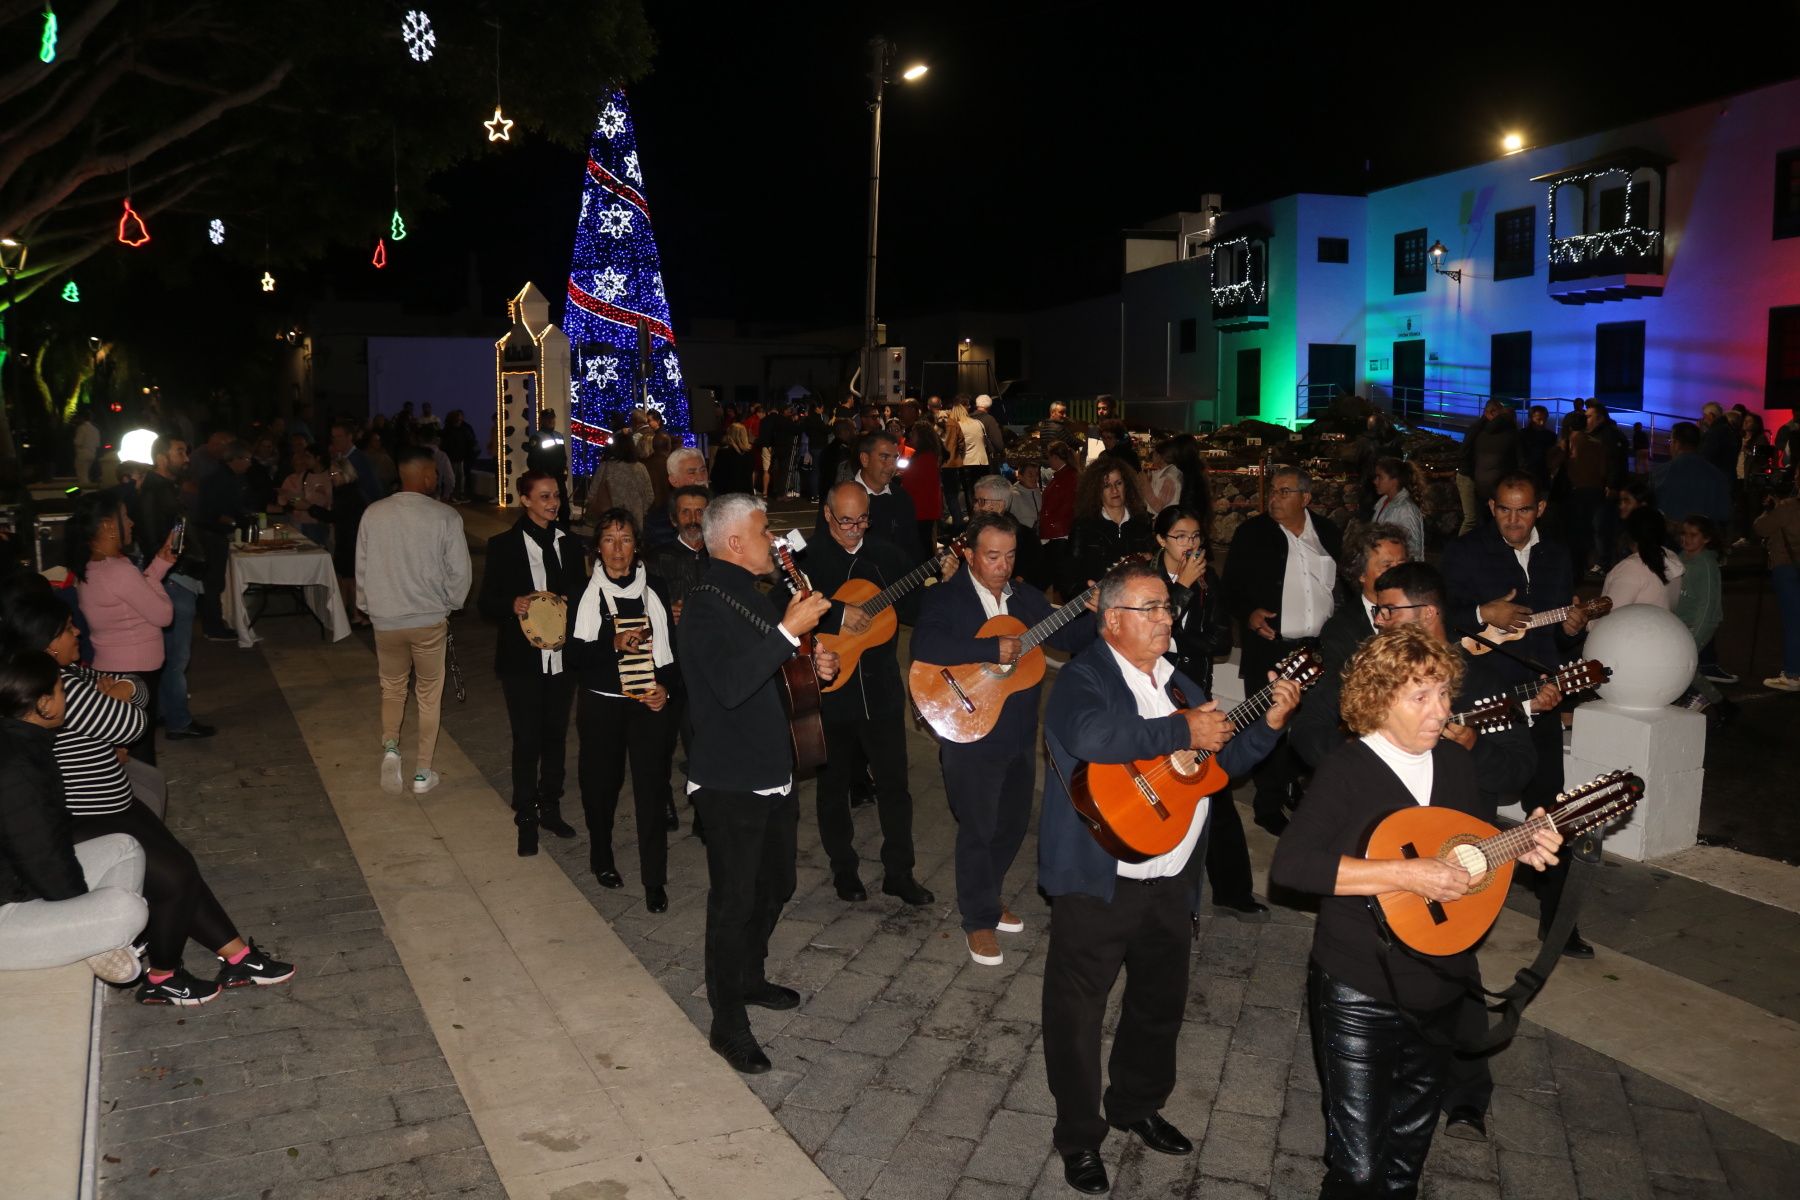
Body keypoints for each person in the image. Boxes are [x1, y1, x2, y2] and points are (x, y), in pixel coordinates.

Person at [1271, 625, 1562, 1196]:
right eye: (1420, 697)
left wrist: (1520, 845)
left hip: (1440, 984)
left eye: (1444, 694)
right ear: (1380, 700)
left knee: (1407, 1154)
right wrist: (1403, 873)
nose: (1441, 712)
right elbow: (1291, 868)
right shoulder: (1347, 770)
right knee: (1357, 1167)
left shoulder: (1454, 764)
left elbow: (1469, 850)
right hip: (1358, 988)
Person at [1038, 560, 1297, 1194]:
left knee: (1159, 1006)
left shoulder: (1179, 681)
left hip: (1172, 875)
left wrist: (1265, 727)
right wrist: (1182, 726)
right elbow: (1091, 735)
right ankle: (1079, 1136)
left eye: (1166, 608)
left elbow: (1217, 762)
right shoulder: (1085, 676)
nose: (1165, 619)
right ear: (1111, 620)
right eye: (1150, 608)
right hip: (1099, 879)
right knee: (1076, 1016)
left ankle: (1136, 1105)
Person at [677, 493, 839, 1073]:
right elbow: (726, 685)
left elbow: (776, 674)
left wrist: (817, 666)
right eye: (763, 529)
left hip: (775, 768)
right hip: (729, 779)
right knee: (733, 902)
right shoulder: (703, 605)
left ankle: (747, 977)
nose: (773, 539)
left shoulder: (757, 598)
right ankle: (727, 1021)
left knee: (777, 885)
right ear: (733, 543)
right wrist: (788, 632)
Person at [911, 512, 1095, 966]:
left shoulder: (1026, 599)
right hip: (968, 727)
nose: (1003, 565)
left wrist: (1097, 611)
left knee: (1012, 823)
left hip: (1016, 730)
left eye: (1010, 555)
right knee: (978, 826)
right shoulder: (947, 599)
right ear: (970, 555)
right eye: (992, 556)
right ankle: (977, 920)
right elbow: (924, 647)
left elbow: (1070, 635)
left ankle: (987, 899)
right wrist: (988, 650)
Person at [1439, 471, 1593, 957]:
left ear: (1540, 509)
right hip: (1482, 704)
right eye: (1504, 509)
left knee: (1550, 810)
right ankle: (1458, 908)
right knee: (1471, 812)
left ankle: (1557, 920)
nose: (1513, 520)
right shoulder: (1466, 551)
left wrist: (1573, 628)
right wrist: (1485, 613)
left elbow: (1561, 638)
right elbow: (1440, 616)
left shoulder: (1558, 555)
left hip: (1540, 696)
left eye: (1523, 510)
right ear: (1490, 507)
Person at [783, 483, 936, 907]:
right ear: (828, 516)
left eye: (862, 519)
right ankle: (844, 871)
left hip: (882, 690)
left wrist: (944, 584)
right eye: (846, 520)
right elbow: (785, 613)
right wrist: (835, 611)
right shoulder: (805, 559)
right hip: (831, 692)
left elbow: (917, 611)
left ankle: (900, 873)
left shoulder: (887, 556)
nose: (855, 529)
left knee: (895, 786)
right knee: (832, 788)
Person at [0, 650, 148, 984]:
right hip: (6, 909)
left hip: (18, 884)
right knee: (130, 910)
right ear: (44, 704)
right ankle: (97, 940)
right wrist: (83, 909)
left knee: (125, 846)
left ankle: (97, 944)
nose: (67, 698)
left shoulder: (22, 741)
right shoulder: (15, 767)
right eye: (62, 691)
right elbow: (42, 855)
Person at [1154, 505, 1267, 921]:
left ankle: (1232, 891)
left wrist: (1177, 641)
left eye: (1196, 536)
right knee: (1163, 789)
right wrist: (1179, 592)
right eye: (1180, 536)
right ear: (1161, 540)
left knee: (1214, 785)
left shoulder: (1208, 579)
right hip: (1153, 698)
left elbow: (1220, 641)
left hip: (1195, 694)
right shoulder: (1145, 579)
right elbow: (1148, 633)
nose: (1191, 545)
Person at [568, 509, 679, 910]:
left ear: (637, 545)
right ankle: (601, 857)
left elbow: (671, 654)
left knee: (651, 791)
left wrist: (666, 688)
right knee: (601, 789)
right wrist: (613, 644)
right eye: (610, 540)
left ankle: (654, 879)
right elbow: (576, 656)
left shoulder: (657, 589)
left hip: (648, 706)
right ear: (598, 547)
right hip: (602, 708)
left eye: (626, 539)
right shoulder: (586, 594)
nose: (618, 549)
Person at [1222, 465, 1342, 834]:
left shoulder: (1329, 533)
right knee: (1269, 726)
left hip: (1318, 652)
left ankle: (1301, 791)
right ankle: (1267, 803)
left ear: (1305, 498)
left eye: (1284, 491)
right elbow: (1230, 589)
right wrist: (1249, 614)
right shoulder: (1251, 533)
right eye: (1272, 491)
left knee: (1315, 726)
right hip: (1271, 650)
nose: (1274, 498)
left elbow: (1343, 588)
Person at [355, 447, 472, 796]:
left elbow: (363, 568)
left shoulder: (374, 514)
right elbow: (460, 573)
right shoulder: (445, 517)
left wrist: (367, 605)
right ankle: (422, 770)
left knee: (391, 687)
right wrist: (450, 604)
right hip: (428, 619)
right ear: (423, 475)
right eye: (434, 472)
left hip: (386, 619)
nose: (436, 478)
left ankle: (391, 748)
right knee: (428, 695)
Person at [478, 472, 583, 857]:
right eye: (543, 497)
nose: (552, 503)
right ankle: (525, 812)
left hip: (562, 659)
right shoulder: (503, 545)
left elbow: (580, 589)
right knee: (527, 737)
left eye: (555, 496)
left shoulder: (568, 544)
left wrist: (571, 599)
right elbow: (485, 602)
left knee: (555, 734)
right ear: (525, 500)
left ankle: (550, 805)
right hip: (522, 661)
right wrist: (513, 604)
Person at [1291, 523, 1410, 772]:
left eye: (1403, 564)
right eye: (1387, 566)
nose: (1399, 574)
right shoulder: (1340, 629)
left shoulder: (1421, 615)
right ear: (1361, 573)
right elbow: (1332, 707)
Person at [67, 492, 174, 765]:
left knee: (127, 745)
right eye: (125, 516)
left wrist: (159, 564)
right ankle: (138, 804)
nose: (131, 523)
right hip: (135, 671)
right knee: (138, 751)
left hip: (114, 665)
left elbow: (132, 597)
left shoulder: (95, 566)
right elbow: (163, 615)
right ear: (107, 525)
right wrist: (156, 583)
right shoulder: (118, 570)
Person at [132, 436, 216, 742]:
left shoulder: (163, 489)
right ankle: (178, 721)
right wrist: (175, 568)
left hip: (174, 576)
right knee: (176, 656)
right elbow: (157, 538)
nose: (186, 457)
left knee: (169, 655)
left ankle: (168, 713)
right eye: (180, 451)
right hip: (172, 579)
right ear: (161, 456)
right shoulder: (155, 491)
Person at [1066, 454, 1154, 595]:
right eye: (1106, 486)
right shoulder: (1083, 526)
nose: (1114, 490)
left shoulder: (1143, 522)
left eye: (1118, 483)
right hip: (1095, 605)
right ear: (1096, 491)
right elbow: (1070, 578)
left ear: (1126, 485)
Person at [196, 441, 252, 642]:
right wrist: (237, 521)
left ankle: (213, 624)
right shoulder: (220, 479)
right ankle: (214, 628)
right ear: (234, 459)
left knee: (213, 583)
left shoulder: (225, 477)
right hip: (211, 535)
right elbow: (214, 512)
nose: (249, 463)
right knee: (213, 583)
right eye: (247, 459)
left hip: (213, 533)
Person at [1674, 516, 1729, 712]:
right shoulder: (1681, 557)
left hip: (1700, 624)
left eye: (1693, 535)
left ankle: (1710, 699)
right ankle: (1718, 702)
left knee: (1681, 662)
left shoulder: (1707, 566)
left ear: (1706, 539)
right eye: (1684, 534)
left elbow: (1708, 604)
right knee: (1683, 664)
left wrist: (1697, 633)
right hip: (1682, 623)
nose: (1686, 539)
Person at [844, 430, 924, 563]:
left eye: (895, 458)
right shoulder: (842, 498)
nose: (892, 465)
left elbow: (913, 548)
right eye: (884, 457)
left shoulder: (902, 498)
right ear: (865, 459)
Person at [1754, 482, 1800, 692]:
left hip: (1787, 567)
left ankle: (1792, 674)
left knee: (1793, 622)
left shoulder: (1788, 507)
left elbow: (1761, 528)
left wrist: (1769, 509)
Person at [1652, 422, 1732, 529]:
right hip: (1701, 539)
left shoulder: (1660, 472)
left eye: (1670, 441)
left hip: (1666, 537)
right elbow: (1723, 515)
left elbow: (1651, 510)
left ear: (1676, 443)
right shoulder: (1718, 476)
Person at [1604, 506, 1684, 609]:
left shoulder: (1631, 568)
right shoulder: (1672, 558)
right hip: (1663, 624)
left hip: (1633, 625)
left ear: (1629, 534)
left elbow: (1611, 617)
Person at [643, 447, 709, 548]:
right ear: (674, 481)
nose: (700, 477)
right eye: (692, 472)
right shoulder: (658, 522)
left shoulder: (723, 509)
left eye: (703, 470)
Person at [585, 433, 652, 531]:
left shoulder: (605, 467)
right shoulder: (640, 468)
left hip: (609, 519)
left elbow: (592, 494)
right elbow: (650, 496)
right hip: (634, 521)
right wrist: (641, 510)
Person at [275, 444, 333, 547]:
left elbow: (331, 502)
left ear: (318, 458)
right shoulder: (305, 475)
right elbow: (299, 495)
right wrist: (289, 498)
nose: (305, 460)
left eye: (308, 457)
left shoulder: (329, 476)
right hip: (302, 522)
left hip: (319, 523)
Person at [900, 420, 944, 553]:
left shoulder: (924, 457)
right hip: (926, 506)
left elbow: (912, 482)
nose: (911, 435)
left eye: (914, 433)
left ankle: (929, 571)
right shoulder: (929, 455)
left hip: (922, 507)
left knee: (924, 544)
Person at [1370, 457, 1426, 559]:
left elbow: (1413, 550)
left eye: (1380, 477)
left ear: (1394, 480)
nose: (1375, 481)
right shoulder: (1382, 504)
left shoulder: (1406, 509)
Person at [710, 423, 756, 496]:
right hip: (746, 493)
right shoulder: (750, 452)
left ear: (729, 434)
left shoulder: (723, 452)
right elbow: (752, 474)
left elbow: (715, 476)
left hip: (728, 494)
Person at [72, 409, 101, 485]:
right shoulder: (95, 429)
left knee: (82, 476)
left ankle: (84, 492)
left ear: (82, 418)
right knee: (86, 474)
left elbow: (78, 442)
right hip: (92, 453)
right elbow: (97, 444)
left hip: (82, 453)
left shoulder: (81, 428)